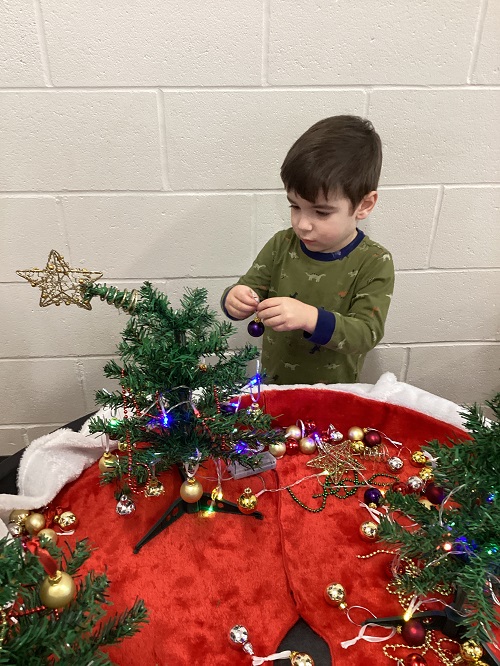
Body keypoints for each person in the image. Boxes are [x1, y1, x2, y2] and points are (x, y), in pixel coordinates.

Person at [221, 115, 394, 385]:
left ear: (364, 205)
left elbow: (366, 333)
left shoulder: (373, 261)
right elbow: (249, 288)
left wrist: (310, 318)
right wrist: (235, 299)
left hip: (333, 395)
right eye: (295, 206)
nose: (302, 224)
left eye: (321, 212)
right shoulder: (282, 244)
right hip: (273, 388)